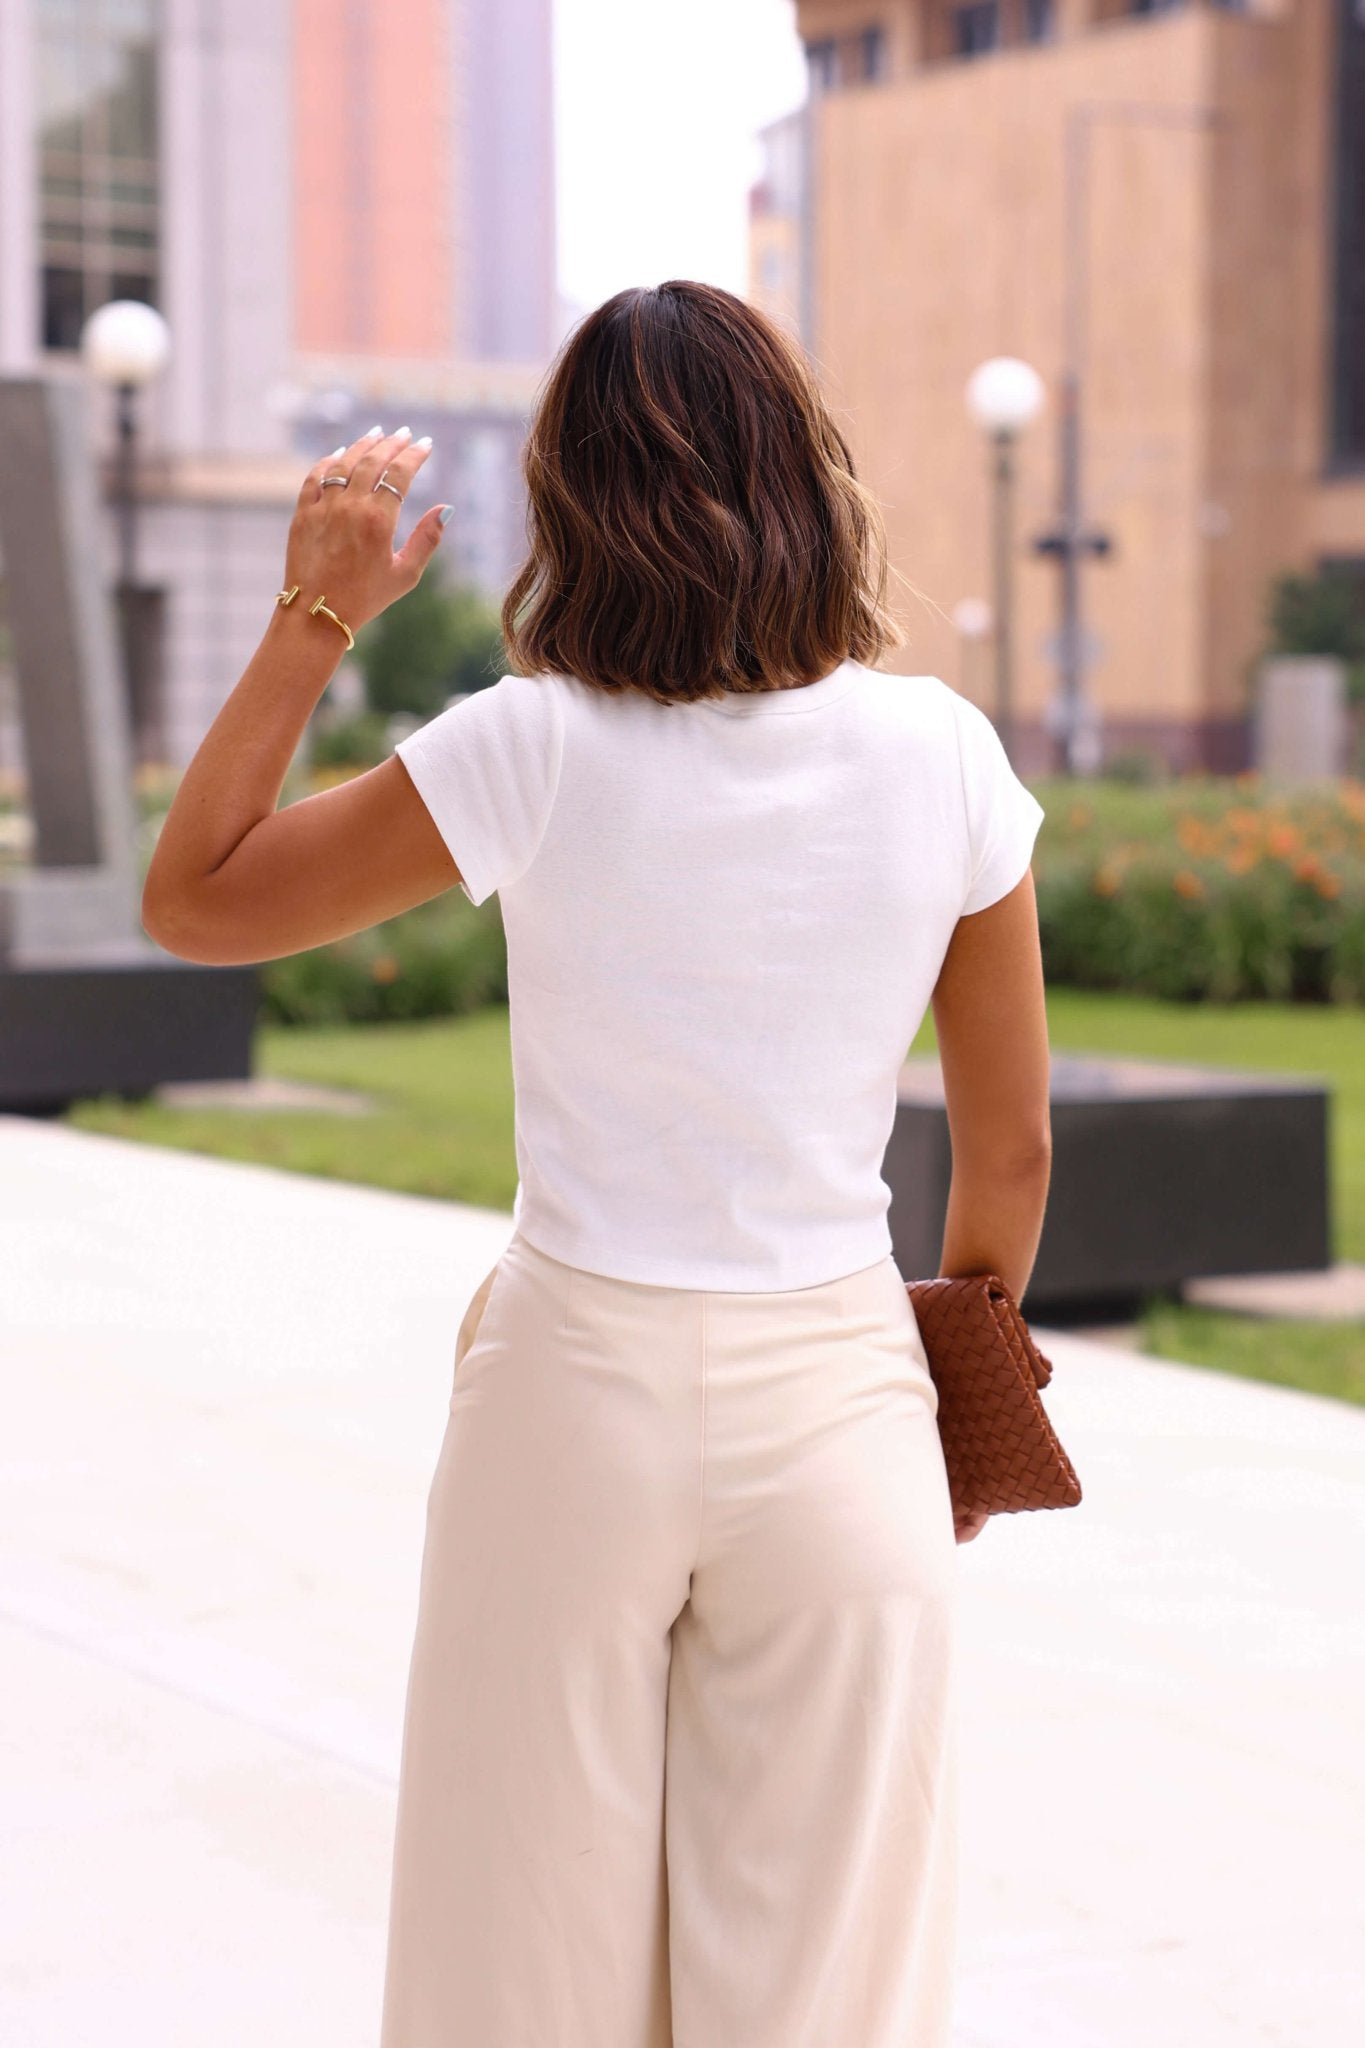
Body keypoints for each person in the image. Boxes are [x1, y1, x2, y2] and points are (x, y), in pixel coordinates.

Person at [142, 279, 1051, 2048]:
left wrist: (319, 610)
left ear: (573, 500)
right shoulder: (942, 754)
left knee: (514, 1970)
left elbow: (196, 899)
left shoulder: (530, 749)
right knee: (823, 1992)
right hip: (841, 1396)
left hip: (570, 1392)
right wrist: (950, 1399)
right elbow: (1005, 1148)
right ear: (809, 477)